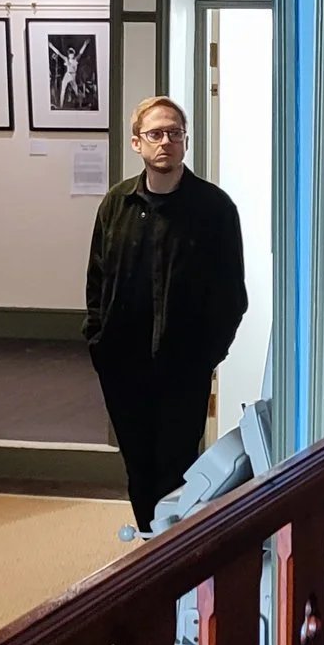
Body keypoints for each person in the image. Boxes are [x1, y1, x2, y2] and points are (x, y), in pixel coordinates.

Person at [83, 96, 249, 530]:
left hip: (183, 370)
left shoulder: (215, 209)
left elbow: (232, 295)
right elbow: (97, 282)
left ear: (186, 142)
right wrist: (98, 343)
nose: (166, 142)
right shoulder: (115, 206)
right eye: (156, 134)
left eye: (175, 133)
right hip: (122, 367)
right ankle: (146, 550)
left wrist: (206, 357)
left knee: (177, 470)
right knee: (138, 469)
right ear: (137, 143)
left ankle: (172, 562)